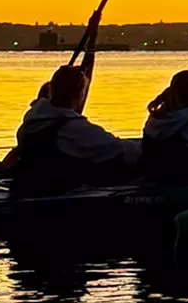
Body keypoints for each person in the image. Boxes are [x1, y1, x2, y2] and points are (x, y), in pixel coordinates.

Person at [10, 17, 138, 195]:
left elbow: (82, 81)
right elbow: (117, 149)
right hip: (55, 192)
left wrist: (91, 42)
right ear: (79, 95)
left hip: (28, 187)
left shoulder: (32, 119)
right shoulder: (74, 129)